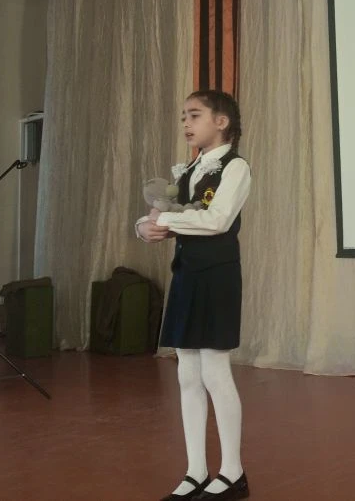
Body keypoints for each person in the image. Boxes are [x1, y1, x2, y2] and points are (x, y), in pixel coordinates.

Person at [136, 90, 251, 500]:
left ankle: (233, 473)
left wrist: (165, 220)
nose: (186, 122)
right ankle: (196, 471)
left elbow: (217, 220)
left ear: (221, 122)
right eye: (184, 115)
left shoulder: (235, 167)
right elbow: (171, 216)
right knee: (187, 373)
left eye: (195, 115)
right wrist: (144, 227)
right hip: (186, 275)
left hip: (217, 277)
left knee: (215, 372)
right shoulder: (186, 171)